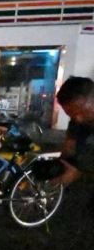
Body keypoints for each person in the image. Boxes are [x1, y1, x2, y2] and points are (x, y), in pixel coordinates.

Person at [49, 76, 94, 217]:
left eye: (80, 112)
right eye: (71, 115)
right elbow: (69, 147)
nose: (77, 119)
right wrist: (59, 167)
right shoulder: (77, 121)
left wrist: (78, 175)